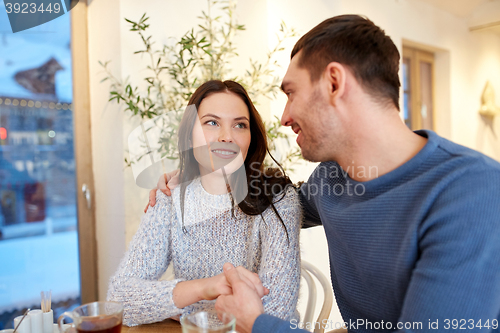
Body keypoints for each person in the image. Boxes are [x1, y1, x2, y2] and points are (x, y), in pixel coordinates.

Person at [151, 15, 500, 333]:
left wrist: (257, 323)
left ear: (334, 82)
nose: (285, 117)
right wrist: (198, 178)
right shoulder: (331, 180)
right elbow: (269, 203)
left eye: (291, 93)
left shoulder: (472, 193)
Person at [108, 80, 301, 326]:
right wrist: (206, 287)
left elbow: (275, 314)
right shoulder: (170, 199)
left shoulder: (278, 199)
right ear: (189, 136)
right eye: (212, 122)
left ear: (250, 138)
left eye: (240, 125)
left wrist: (175, 304)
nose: (226, 137)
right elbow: (119, 300)